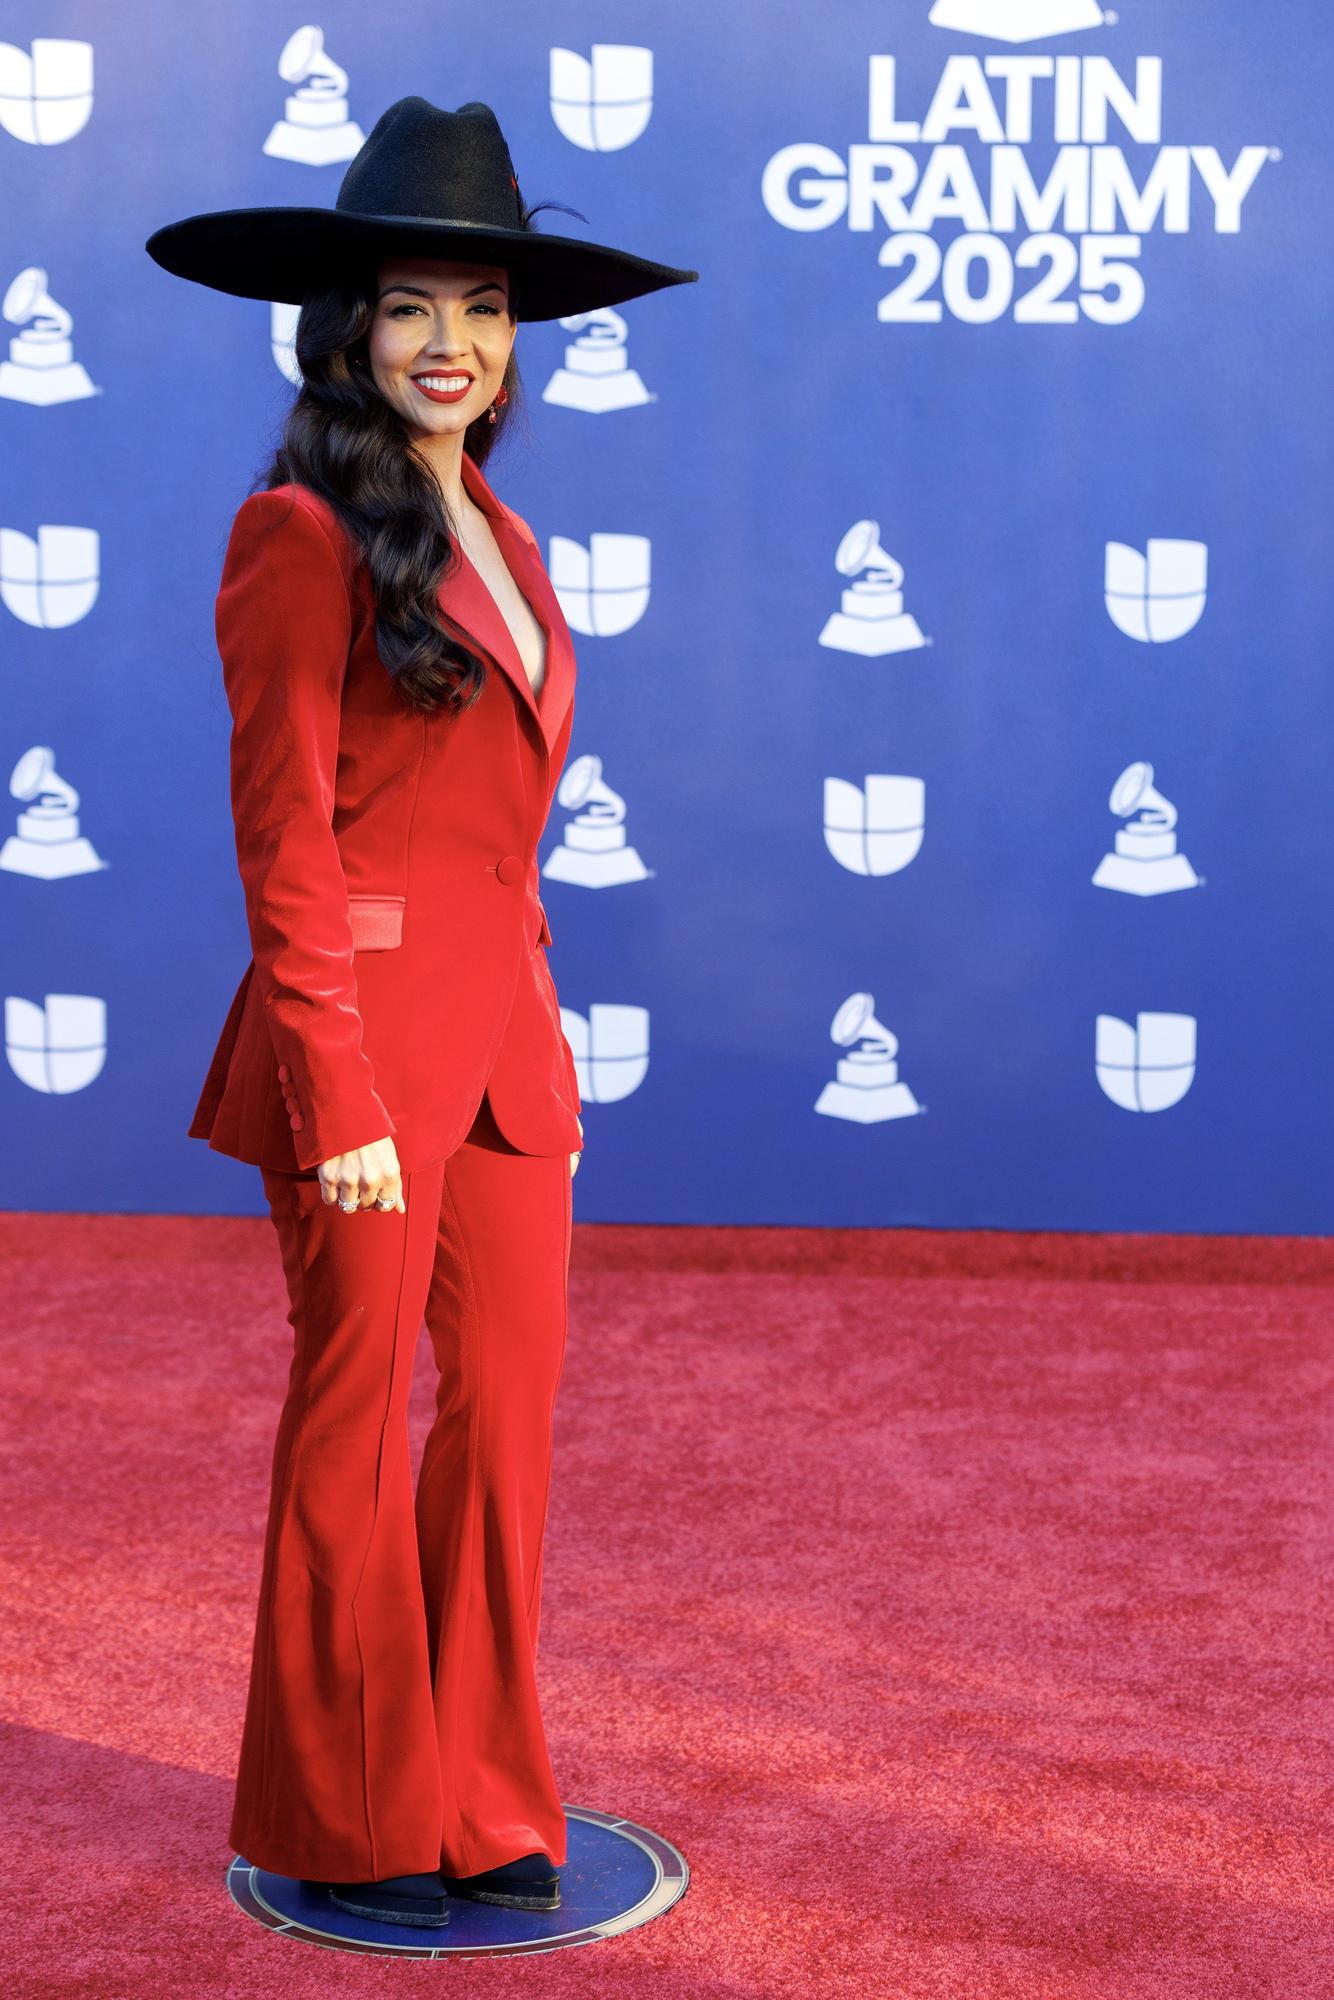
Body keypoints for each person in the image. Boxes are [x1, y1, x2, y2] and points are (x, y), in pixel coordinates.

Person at [146, 96, 697, 1929]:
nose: (449, 344)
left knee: (508, 1415)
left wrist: (536, 1048)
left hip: (506, 1065)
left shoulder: (511, 539)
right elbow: (284, 843)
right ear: (347, 332)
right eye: (409, 307)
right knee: (354, 1408)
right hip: (361, 1059)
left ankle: (480, 1784)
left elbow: (496, 852)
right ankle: (346, 1812)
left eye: (480, 307)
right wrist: (342, 1091)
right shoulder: (293, 534)